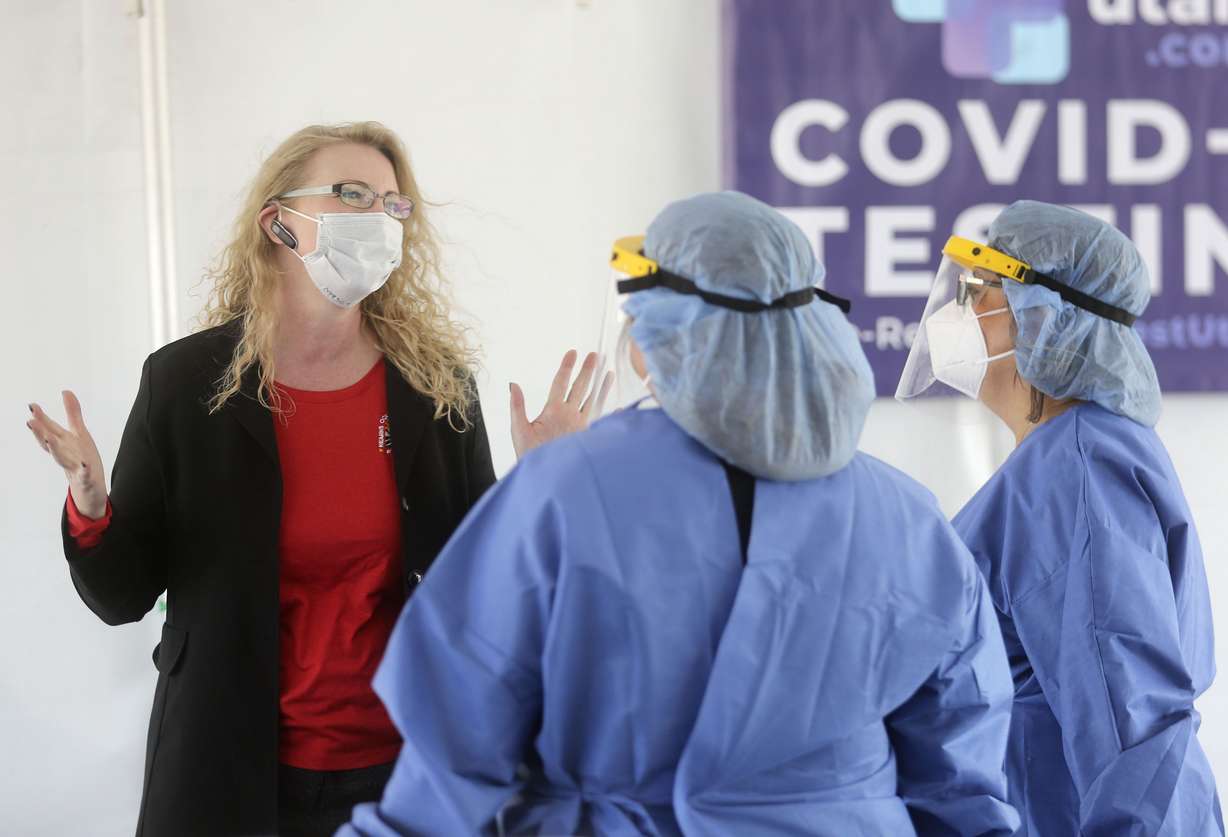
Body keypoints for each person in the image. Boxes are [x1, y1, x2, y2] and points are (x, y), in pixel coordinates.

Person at [340, 191, 1020, 835]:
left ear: (658, 329)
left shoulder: (564, 490)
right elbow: (961, 774)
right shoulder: (909, 518)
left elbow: (450, 752)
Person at [24, 121, 605, 837]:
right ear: (280, 223)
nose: (380, 218)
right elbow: (121, 594)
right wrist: (90, 503)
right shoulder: (185, 384)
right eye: (352, 194)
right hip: (229, 767)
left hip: (407, 771)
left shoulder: (436, 385)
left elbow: (483, 588)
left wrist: (540, 485)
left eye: (394, 205)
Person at [897, 200, 1223, 836]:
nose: (957, 311)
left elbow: (1126, 701)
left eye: (977, 289)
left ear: (1039, 318)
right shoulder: (1064, 460)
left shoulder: (1080, 465)